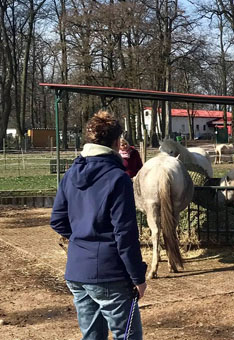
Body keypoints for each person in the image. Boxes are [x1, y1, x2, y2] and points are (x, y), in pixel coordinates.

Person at [50, 111, 147, 340]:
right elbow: (125, 234)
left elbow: (57, 219)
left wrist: (82, 236)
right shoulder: (118, 178)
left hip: (76, 271)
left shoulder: (70, 173)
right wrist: (138, 277)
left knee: (91, 336)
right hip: (110, 273)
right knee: (128, 336)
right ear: (116, 142)